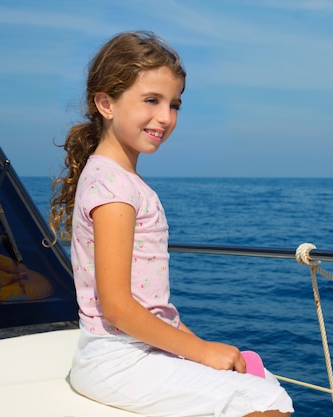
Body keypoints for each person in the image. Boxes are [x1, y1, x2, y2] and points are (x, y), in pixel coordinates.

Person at [48, 31, 293, 417]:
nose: (165, 117)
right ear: (105, 103)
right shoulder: (113, 188)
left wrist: (197, 343)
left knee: (261, 380)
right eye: (151, 100)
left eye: (174, 104)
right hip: (118, 360)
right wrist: (202, 351)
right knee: (264, 401)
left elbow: (150, 306)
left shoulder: (119, 180)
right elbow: (117, 307)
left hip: (134, 350)